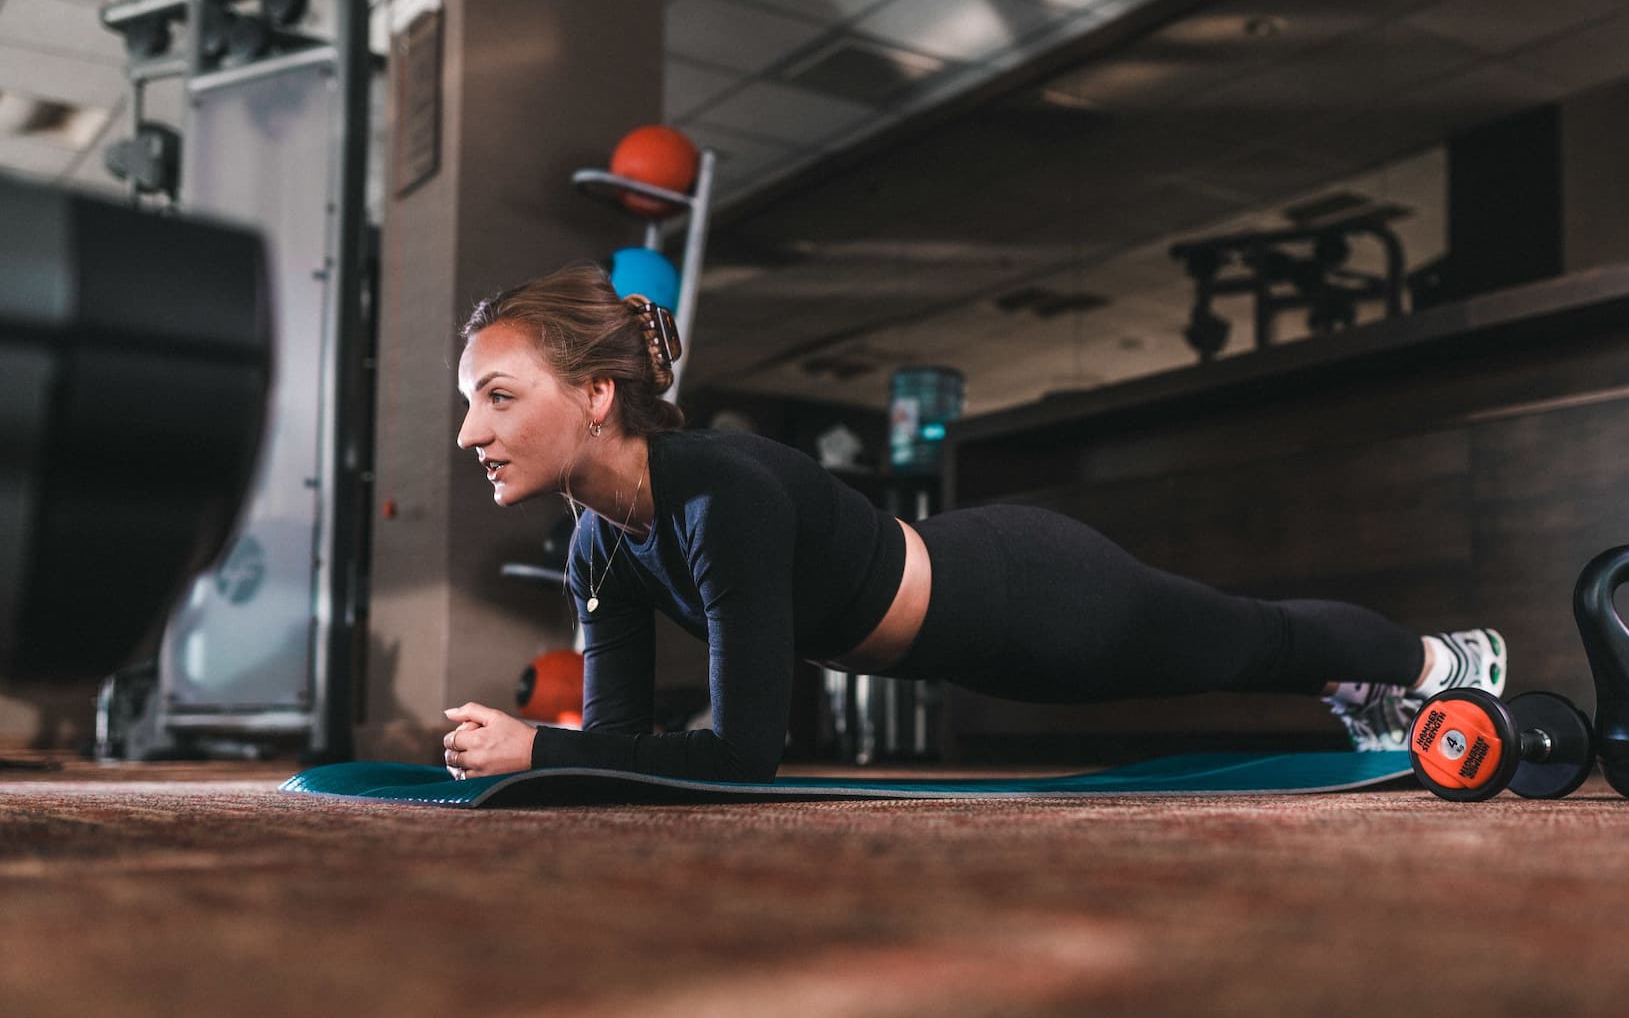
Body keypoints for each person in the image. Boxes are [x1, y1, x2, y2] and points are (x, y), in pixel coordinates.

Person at [441, 264, 1506, 782]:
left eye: (497, 396)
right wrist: (561, 754)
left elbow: (745, 753)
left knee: (1245, 639)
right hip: (982, 648)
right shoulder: (597, 545)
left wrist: (540, 747)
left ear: (594, 396)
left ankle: (1438, 660)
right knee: (1239, 646)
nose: (468, 433)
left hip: (1036, 590)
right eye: (468, 402)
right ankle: (1368, 680)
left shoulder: (721, 494)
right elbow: (624, 751)